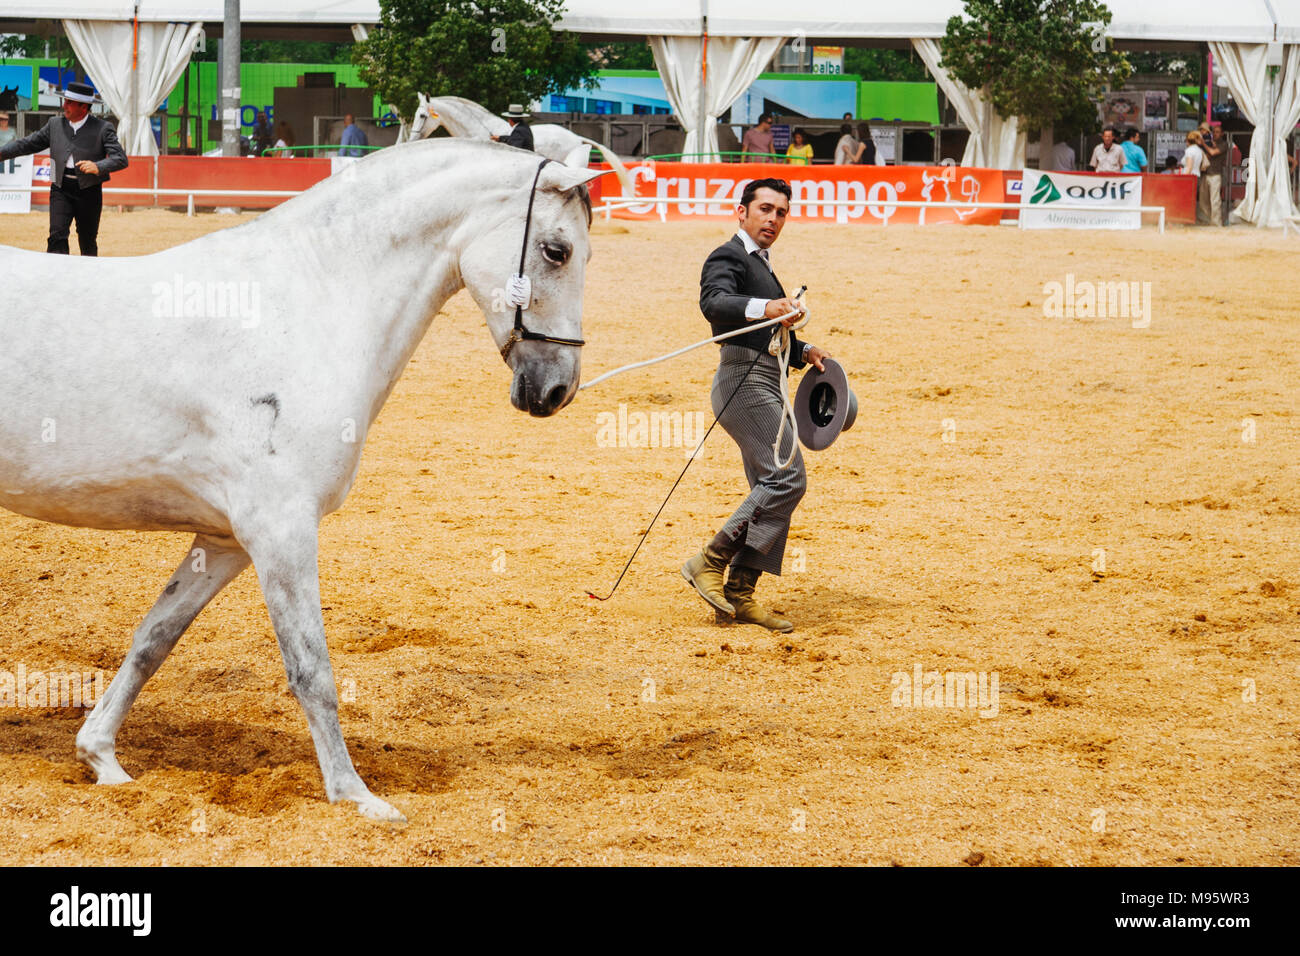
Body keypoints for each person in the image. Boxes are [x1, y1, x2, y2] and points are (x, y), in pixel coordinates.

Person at [683, 178, 831, 633]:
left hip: (766, 377)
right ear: (741, 211)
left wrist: (801, 350)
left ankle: (740, 595)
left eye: (781, 212)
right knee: (787, 478)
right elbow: (714, 303)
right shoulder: (728, 255)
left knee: (771, 491)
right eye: (765, 208)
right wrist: (768, 307)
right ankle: (709, 560)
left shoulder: (763, 266)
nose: (773, 219)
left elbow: (766, 330)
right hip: (742, 381)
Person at [0, 81, 127, 256]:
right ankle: (57, 278)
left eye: (69, 102)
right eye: (65, 101)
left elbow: (120, 158)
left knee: (87, 239)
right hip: (59, 187)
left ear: (83, 107)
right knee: (56, 236)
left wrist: (98, 166)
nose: (64, 105)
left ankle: (87, 280)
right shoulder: (54, 124)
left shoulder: (103, 128)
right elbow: (27, 144)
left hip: (89, 190)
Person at [1198, 121, 1225, 226]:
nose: (1215, 134)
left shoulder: (1223, 144)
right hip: (1206, 174)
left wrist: (1203, 143)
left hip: (1215, 175)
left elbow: (1213, 152)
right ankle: (1208, 221)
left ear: (1222, 134)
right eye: (1214, 132)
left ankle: (1216, 223)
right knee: (1203, 201)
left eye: (1218, 132)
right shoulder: (1210, 142)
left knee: (1215, 201)